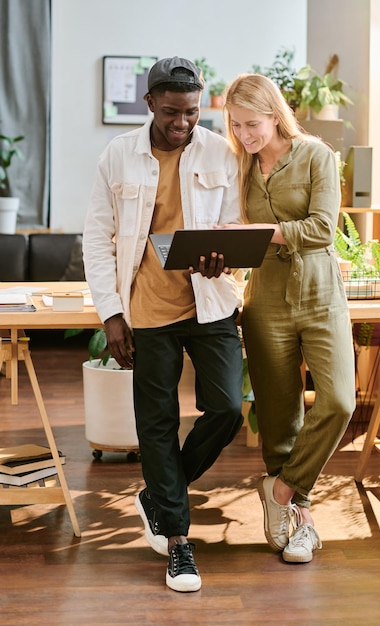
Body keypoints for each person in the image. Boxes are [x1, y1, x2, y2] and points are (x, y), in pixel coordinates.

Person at [83, 57, 244, 593]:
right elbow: (97, 238)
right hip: (147, 307)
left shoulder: (220, 151)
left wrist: (226, 255)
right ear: (149, 102)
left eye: (193, 113)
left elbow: (236, 224)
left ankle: (159, 492)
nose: (183, 124)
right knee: (155, 423)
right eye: (173, 113)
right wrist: (111, 314)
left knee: (225, 408)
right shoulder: (118, 155)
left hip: (211, 303)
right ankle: (178, 542)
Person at [221, 73, 356, 563]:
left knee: (339, 400)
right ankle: (299, 519)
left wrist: (260, 231)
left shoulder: (318, 155)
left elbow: (322, 229)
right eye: (236, 125)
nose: (245, 134)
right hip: (266, 302)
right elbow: (233, 229)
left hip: (321, 296)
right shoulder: (238, 167)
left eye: (252, 124)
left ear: (275, 114)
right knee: (280, 419)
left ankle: (280, 492)